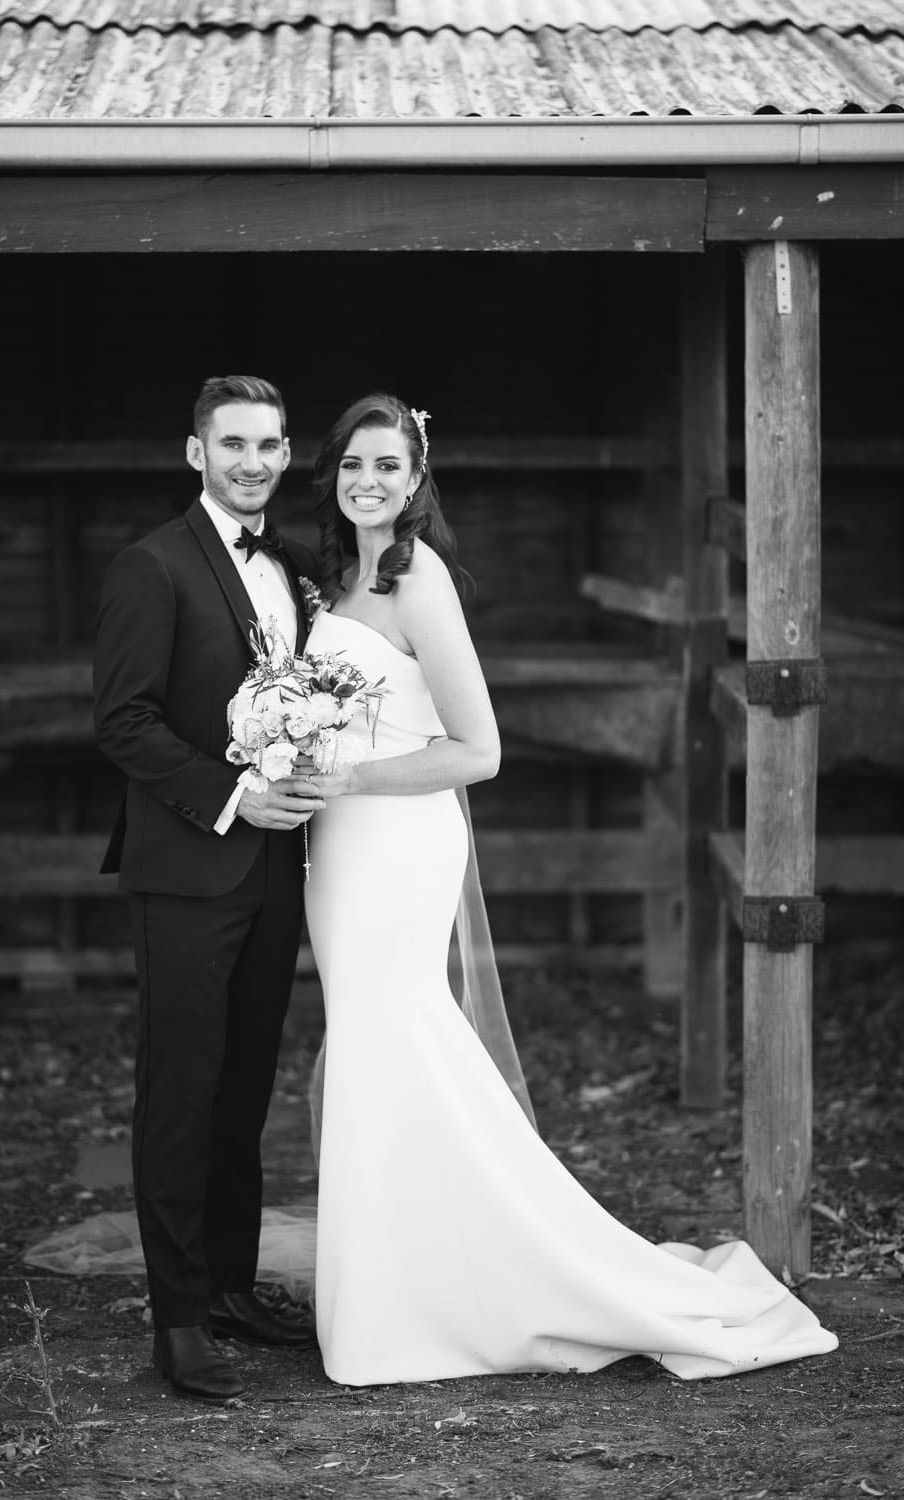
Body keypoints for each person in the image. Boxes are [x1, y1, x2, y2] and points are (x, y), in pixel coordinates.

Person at [293, 393, 838, 1386]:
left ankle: (447, 1285)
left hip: (395, 845)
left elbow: (479, 751)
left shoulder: (419, 585)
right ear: (332, 477)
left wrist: (351, 777)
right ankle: (394, 1271)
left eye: (386, 466)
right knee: (371, 1045)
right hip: (336, 850)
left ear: (416, 482)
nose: (365, 481)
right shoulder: (336, 582)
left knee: (397, 1033)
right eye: (350, 465)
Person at [92, 375, 324, 1402]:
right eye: (231, 442)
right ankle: (178, 1320)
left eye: (268, 444)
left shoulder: (293, 568)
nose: (251, 460)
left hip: (277, 867)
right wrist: (232, 797)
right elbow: (125, 722)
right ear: (195, 453)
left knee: (244, 1088)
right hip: (192, 863)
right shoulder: (152, 566)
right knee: (181, 1093)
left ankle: (229, 1282)